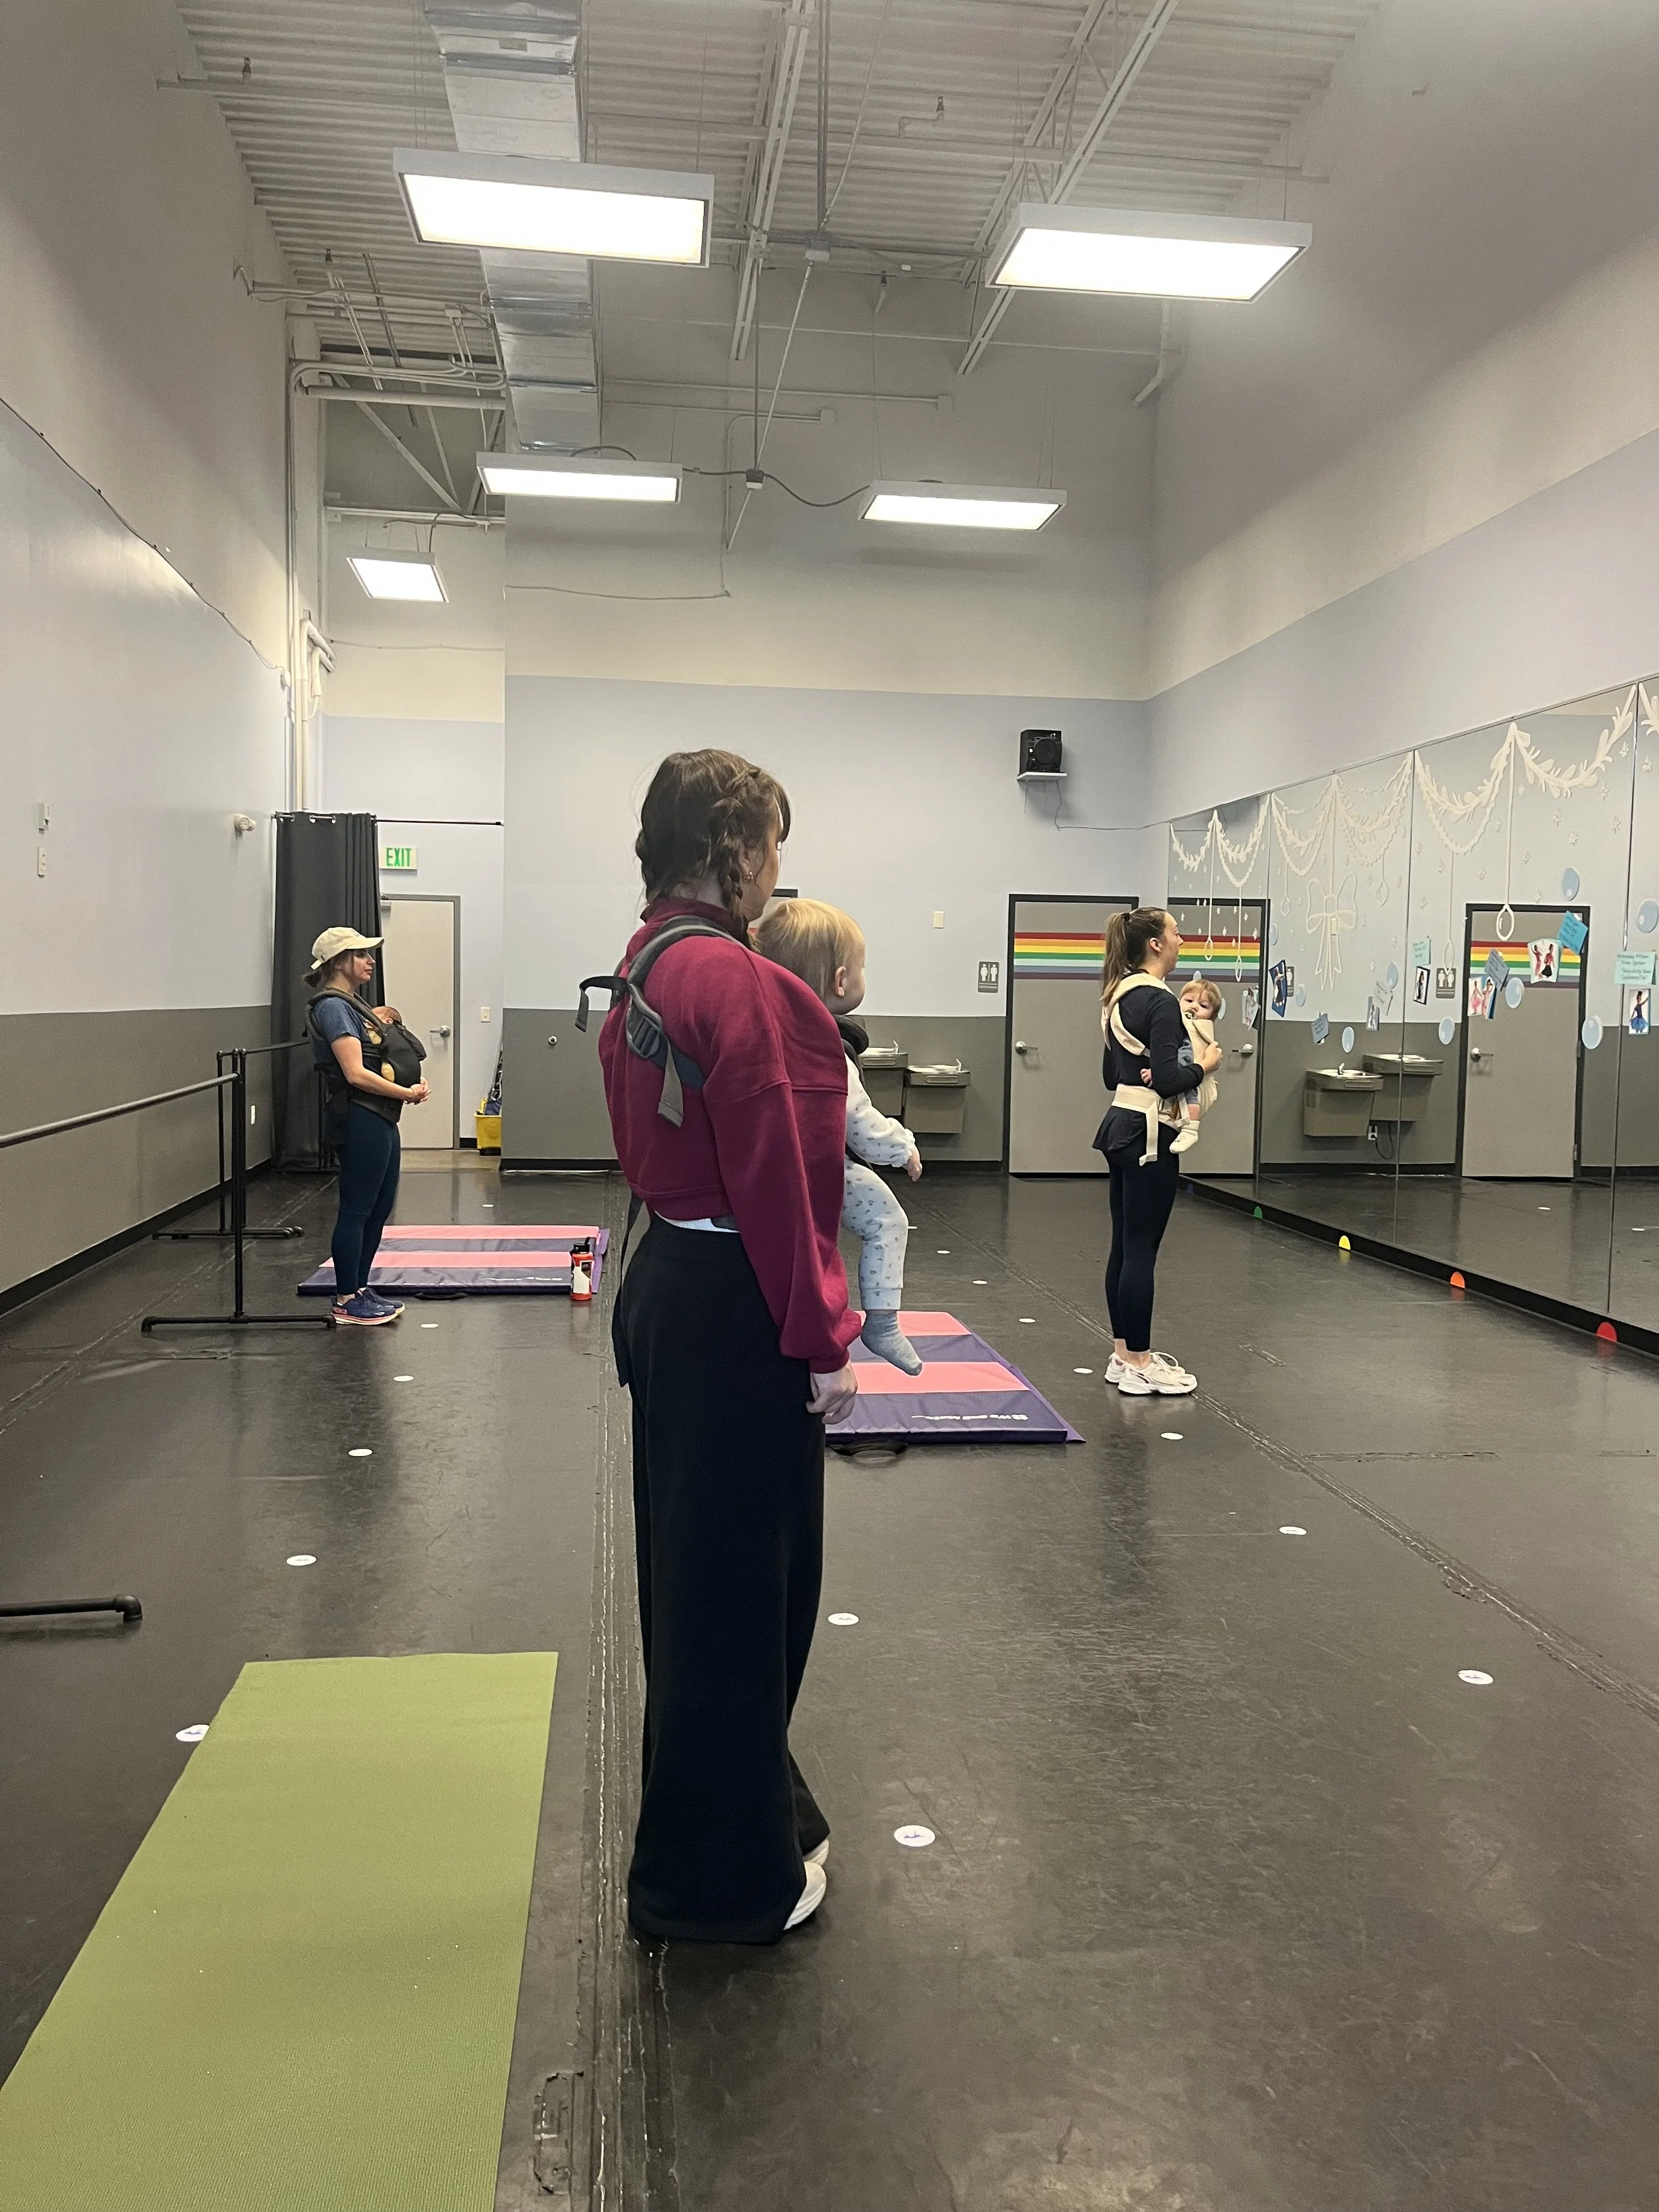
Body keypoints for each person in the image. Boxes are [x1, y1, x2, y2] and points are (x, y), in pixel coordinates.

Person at [599, 751, 860, 1944]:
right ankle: (719, 1882)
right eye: (770, 842)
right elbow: (781, 1178)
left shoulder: (646, 960)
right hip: (730, 1302)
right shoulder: (729, 979)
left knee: (701, 1586)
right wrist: (823, 1336)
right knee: (745, 1594)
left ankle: (749, 1812)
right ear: (731, 845)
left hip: (671, 1283)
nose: (777, 867)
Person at [753, 898, 926, 1375]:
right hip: (821, 1169)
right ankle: (883, 1322)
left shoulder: (764, 1033)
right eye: (863, 968)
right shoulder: (826, 1048)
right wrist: (904, 1145)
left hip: (768, 1170)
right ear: (841, 980)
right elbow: (862, 1125)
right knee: (888, 1220)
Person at [1094, 909, 1220, 1397]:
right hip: (1151, 1131)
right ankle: (1142, 1361)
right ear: (1154, 944)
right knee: (1142, 1248)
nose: (1181, 940)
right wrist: (1205, 1064)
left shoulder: (1115, 997)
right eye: (1174, 932)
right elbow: (1170, 1079)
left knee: (1124, 1244)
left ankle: (1124, 1353)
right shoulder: (1161, 1002)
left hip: (1119, 1122)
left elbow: (1111, 1074)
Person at [305, 926, 429, 1327]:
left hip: (380, 1115)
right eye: (361, 954)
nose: (370, 960)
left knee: (378, 1207)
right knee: (358, 1209)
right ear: (338, 962)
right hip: (360, 1116)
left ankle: (358, 1288)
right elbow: (356, 1074)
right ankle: (345, 1299)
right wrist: (404, 1092)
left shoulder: (353, 1004)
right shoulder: (334, 1007)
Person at [1167, 976, 1222, 1156]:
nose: (1194, 1007)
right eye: (1189, 1001)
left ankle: (1191, 1130)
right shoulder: (1177, 1025)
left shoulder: (1197, 1030)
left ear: (1211, 1016)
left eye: (1203, 1006)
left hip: (1191, 1075)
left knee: (1190, 1094)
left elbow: (1185, 1057)